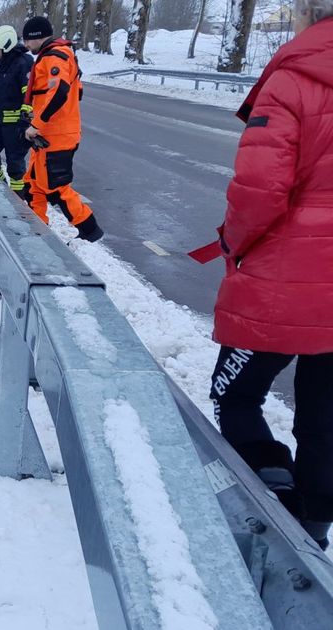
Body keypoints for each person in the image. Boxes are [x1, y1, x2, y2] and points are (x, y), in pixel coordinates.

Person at [208, 0, 333, 550]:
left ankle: (272, 500)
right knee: (326, 419)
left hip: (286, 281)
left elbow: (260, 189)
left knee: (234, 395)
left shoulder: (294, 78)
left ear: (311, 13)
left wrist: (233, 243)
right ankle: (313, 536)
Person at [18, 17, 103, 242]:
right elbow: (76, 92)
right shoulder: (55, 56)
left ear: (36, 37)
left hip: (55, 135)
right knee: (33, 183)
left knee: (56, 188)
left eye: (27, 40)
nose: (26, 46)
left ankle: (89, 229)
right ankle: (37, 229)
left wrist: (37, 124)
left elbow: (59, 92)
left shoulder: (55, 57)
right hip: (47, 134)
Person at [0, 25, 34, 197]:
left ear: (7, 46)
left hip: (15, 125)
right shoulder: (0, 65)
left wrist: (25, 119)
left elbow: (30, 93)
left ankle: (17, 201)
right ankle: (1, 186)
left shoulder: (23, 63)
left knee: (15, 166)